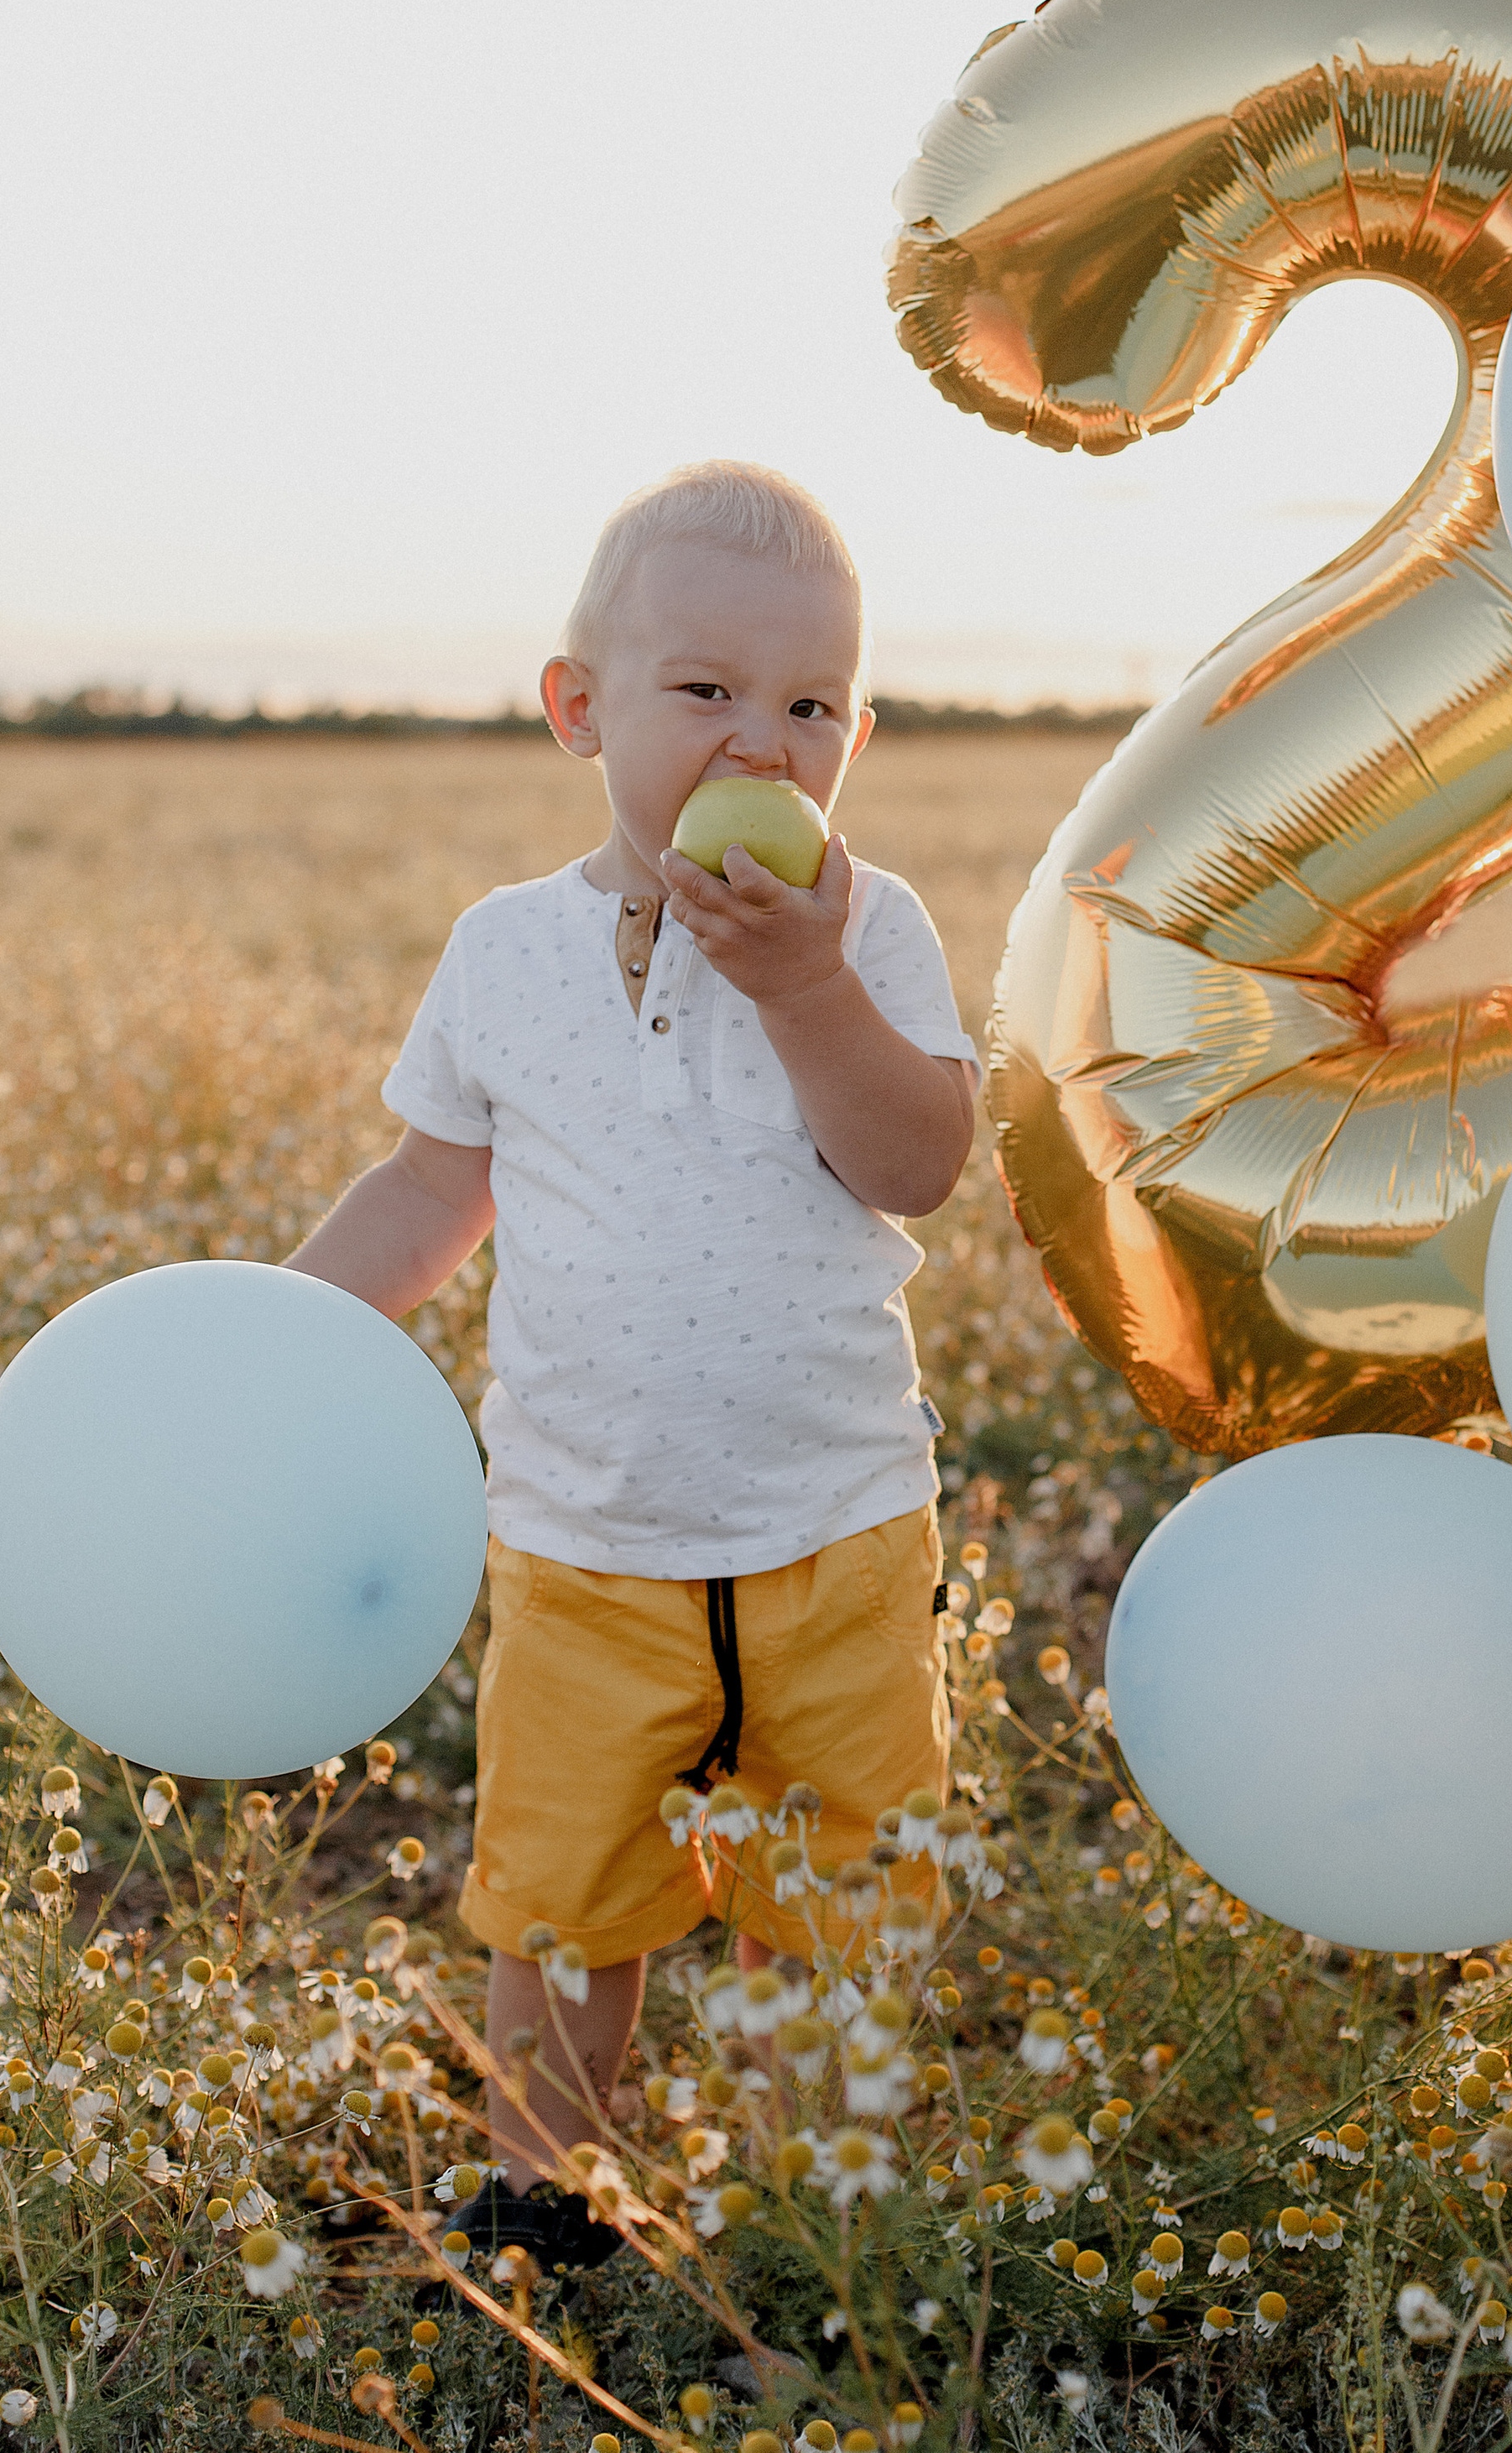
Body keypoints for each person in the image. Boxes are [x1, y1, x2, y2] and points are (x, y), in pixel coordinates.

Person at [289, 461, 977, 2278]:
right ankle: (546, 2192)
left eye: (811, 707)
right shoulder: (501, 954)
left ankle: (821, 2215)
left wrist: (808, 987)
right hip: (587, 1546)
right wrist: (286, 1333)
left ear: (857, 735)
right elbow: (437, 1185)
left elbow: (914, 1162)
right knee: (563, 1901)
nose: (764, 742)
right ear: (577, 710)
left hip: (834, 1533)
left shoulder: (867, 928)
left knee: (834, 1900)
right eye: (706, 693)